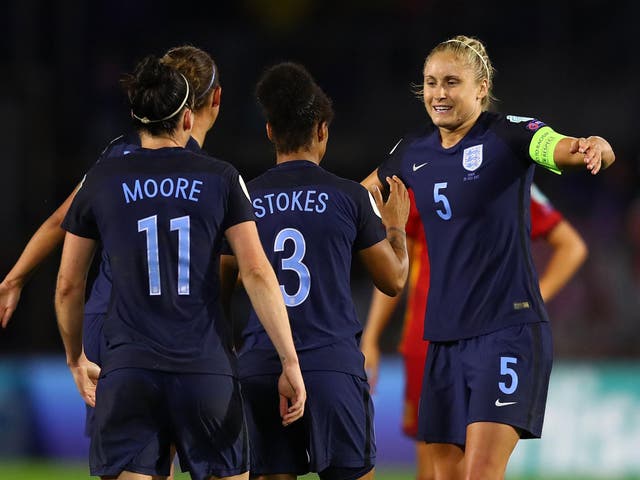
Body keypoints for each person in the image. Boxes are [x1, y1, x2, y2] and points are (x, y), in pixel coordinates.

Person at [361, 34, 614, 479]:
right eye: (431, 82)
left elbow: (562, 145)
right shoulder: (413, 151)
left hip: (506, 333)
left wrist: (593, 145)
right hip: (441, 339)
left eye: (452, 82)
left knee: (481, 472)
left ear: (481, 88)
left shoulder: (508, 135)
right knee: (444, 475)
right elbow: (358, 200)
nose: (439, 93)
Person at [55, 56, 305, 480]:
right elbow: (258, 273)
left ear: (138, 118)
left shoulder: (102, 178)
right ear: (188, 117)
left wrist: (76, 358)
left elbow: (67, 284)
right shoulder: (222, 177)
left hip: (129, 371)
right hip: (205, 371)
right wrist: (290, 362)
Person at [0, 45, 224, 478]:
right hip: (179, 331)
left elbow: (59, 220)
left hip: (111, 324)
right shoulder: (213, 175)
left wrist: (15, 278)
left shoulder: (119, 156)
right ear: (214, 99)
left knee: (131, 459)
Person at [220, 62, 410, 480]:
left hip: (261, 366)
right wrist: (396, 223)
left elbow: (217, 290)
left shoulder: (242, 199)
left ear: (269, 132)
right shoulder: (350, 198)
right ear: (322, 130)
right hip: (332, 368)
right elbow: (393, 279)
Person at [360, 184, 588, 480]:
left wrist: (527, 301)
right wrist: (371, 337)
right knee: (433, 471)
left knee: (481, 467)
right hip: (428, 341)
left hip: (491, 339)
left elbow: (571, 246)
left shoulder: (509, 177)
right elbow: (398, 268)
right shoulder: (424, 170)